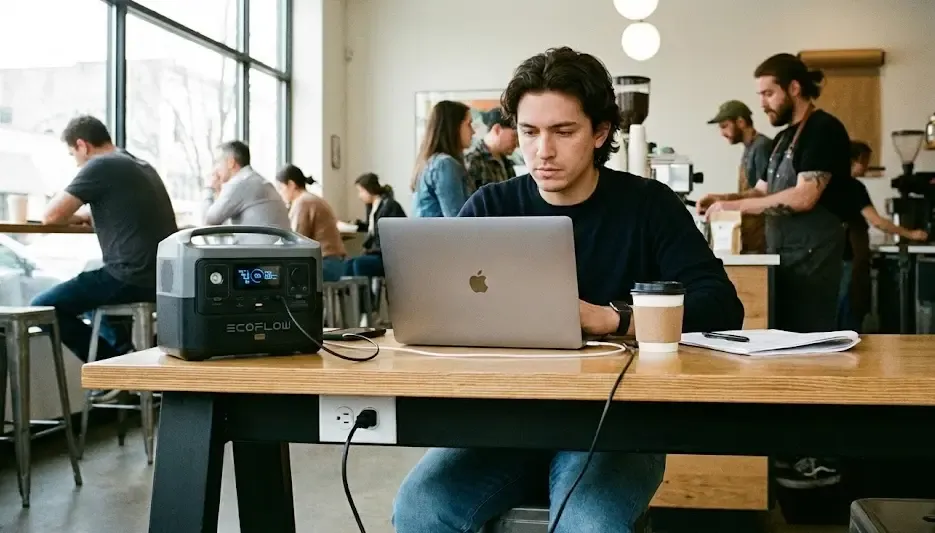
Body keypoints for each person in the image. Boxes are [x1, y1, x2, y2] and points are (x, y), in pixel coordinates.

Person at [392, 46, 744, 533]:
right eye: (530, 132)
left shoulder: (648, 206)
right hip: (507, 422)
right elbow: (441, 309)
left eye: (563, 132)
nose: (543, 151)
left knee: (588, 524)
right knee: (419, 507)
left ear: (600, 132)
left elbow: (722, 306)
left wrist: (613, 318)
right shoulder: (491, 206)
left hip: (617, 424)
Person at [698, 53, 851, 334]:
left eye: (768, 94)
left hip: (814, 261)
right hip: (782, 259)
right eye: (760, 95)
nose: (762, 103)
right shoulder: (782, 139)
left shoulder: (823, 129)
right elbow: (761, 191)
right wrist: (721, 200)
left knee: (812, 346)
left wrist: (736, 208)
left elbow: (805, 196)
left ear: (794, 88)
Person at [31, 115, 177, 368]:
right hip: (164, 278)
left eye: (73, 154)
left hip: (132, 276)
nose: (76, 162)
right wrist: (83, 216)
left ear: (82, 145)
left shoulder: (100, 165)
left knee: (43, 306)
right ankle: (123, 356)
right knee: (91, 292)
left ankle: (111, 368)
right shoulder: (138, 164)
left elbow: (51, 216)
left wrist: (74, 216)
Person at [837, 141, 928, 332]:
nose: (867, 166)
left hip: (833, 256)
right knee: (849, 309)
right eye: (865, 161)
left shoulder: (832, 184)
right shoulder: (853, 187)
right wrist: (910, 233)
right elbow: (877, 221)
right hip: (848, 258)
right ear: (856, 160)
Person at [707, 99, 772, 252]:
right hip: (751, 233)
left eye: (725, 126)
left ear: (741, 122)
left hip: (762, 237)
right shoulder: (750, 148)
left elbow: (764, 195)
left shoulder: (762, 147)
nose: (722, 133)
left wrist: (723, 200)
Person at [202, 140, 291, 243]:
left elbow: (209, 220)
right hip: (277, 249)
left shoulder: (240, 183)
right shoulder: (253, 179)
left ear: (231, 162)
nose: (215, 169)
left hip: (260, 251)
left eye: (217, 162)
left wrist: (208, 188)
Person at [274, 164, 347, 282]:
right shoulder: (312, 198)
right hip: (336, 262)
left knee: (277, 277)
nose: (280, 193)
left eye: (281, 188)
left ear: (291, 185)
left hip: (324, 264)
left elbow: (296, 239)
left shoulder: (302, 202)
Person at [411, 100, 474, 217]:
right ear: (453, 127)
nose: (473, 131)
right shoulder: (445, 164)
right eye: (469, 124)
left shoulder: (430, 162)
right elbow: (457, 220)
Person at [344, 172, 405, 278]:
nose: (359, 196)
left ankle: (366, 290)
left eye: (361, 191)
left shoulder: (390, 206)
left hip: (389, 256)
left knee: (359, 264)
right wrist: (356, 226)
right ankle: (354, 290)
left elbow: (391, 238)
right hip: (377, 252)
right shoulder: (372, 207)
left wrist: (371, 251)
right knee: (348, 264)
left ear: (369, 189)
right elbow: (371, 228)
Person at [464, 107, 518, 191]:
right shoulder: (473, 160)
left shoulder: (506, 162)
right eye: (514, 136)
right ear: (497, 129)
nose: (517, 144)